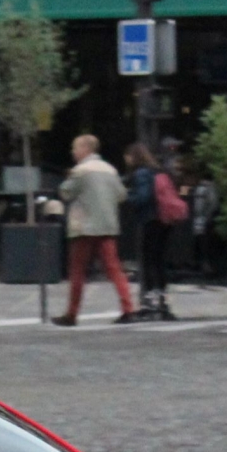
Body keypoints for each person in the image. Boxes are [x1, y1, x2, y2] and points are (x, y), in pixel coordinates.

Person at [54, 135, 136, 327]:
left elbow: (65, 192)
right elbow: (122, 195)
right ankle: (128, 308)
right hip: (107, 225)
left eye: (75, 148)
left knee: (78, 271)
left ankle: (72, 314)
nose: (73, 152)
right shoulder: (110, 169)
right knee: (114, 268)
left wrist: (68, 178)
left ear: (85, 148)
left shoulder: (80, 171)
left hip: (84, 227)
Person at [123, 141, 185, 322]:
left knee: (148, 259)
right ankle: (163, 301)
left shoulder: (141, 173)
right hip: (165, 220)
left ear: (133, 156)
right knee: (159, 260)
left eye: (127, 156)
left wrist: (127, 197)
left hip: (151, 219)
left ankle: (149, 301)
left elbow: (142, 197)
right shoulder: (157, 171)